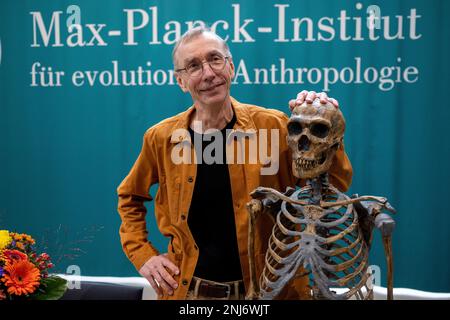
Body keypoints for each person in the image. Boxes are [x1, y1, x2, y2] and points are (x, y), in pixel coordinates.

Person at [117, 27, 353, 300]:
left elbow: (332, 186)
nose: (208, 73)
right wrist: (143, 255)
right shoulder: (162, 138)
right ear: (181, 81)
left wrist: (326, 123)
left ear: (231, 67)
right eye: (193, 66)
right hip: (189, 294)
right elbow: (129, 196)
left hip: (270, 292)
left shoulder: (274, 127)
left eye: (215, 59)